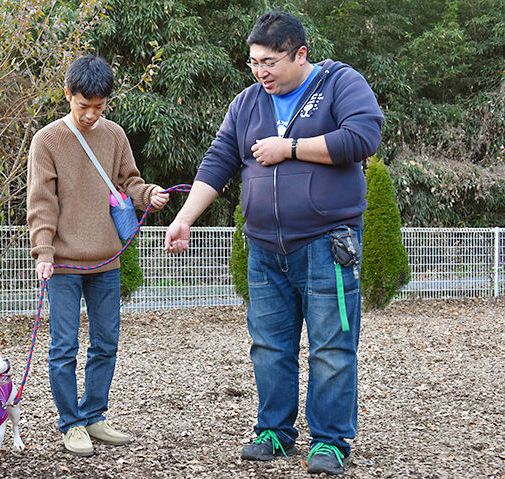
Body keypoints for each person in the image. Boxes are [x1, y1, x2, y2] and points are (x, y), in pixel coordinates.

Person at [165, 11, 383, 476]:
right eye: (253, 62)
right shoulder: (247, 103)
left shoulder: (339, 83)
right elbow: (219, 160)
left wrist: (291, 148)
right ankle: (274, 431)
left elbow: (363, 137)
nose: (260, 72)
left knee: (331, 347)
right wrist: (184, 219)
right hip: (264, 247)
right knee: (268, 347)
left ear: (300, 54)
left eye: (270, 62)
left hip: (328, 243)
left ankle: (330, 441)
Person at [27, 54, 169, 457]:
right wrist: (43, 252)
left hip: (106, 261)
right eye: (83, 105)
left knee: (106, 344)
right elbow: (41, 202)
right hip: (63, 264)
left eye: (99, 106)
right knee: (63, 348)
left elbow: (129, 181)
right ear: (67, 94)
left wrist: (149, 194)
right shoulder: (47, 140)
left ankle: (94, 416)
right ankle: (70, 423)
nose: (91, 114)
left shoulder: (114, 135)